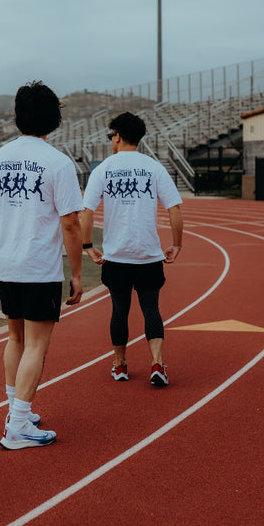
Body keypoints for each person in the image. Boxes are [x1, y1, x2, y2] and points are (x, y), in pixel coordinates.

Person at [0, 81, 84, 450]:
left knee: (15, 337)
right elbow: (70, 222)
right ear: (53, 117)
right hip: (39, 267)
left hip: (5, 264)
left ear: (17, 116)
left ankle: (16, 410)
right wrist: (76, 273)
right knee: (37, 345)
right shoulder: (58, 162)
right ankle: (19, 425)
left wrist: (5, 251)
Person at [81, 111, 183, 386]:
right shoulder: (154, 167)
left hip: (117, 255)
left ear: (119, 136)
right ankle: (157, 364)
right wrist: (176, 244)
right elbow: (174, 209)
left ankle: (120, 364)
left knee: (119, 310)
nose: (111, 140)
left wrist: (88, 245)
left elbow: (86, 211)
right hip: (148, 254)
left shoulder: (103, 169)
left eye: (111, 135)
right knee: (151, 308)